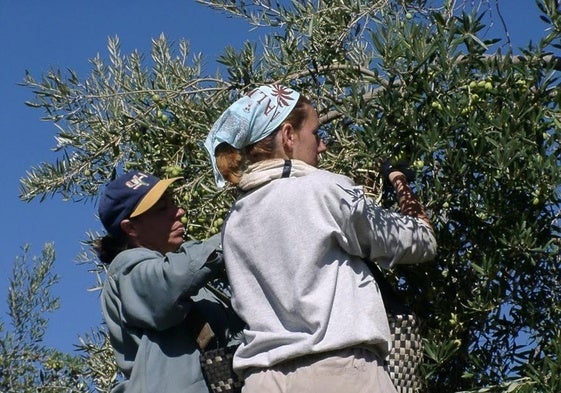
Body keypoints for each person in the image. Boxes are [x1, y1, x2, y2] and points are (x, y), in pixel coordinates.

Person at [204, 84, 437, 393]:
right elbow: (419, 240)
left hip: (262, 381)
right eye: (316, 134)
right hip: (339, 373)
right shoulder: (323, 189)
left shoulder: (234, 220)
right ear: (288, 136)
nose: (323, 146)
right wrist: (401, 185)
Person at [94, 170, 244, 393]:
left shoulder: (199, 284)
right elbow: (170, 281)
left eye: (173, 203)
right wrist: (238, 232)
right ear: (131, 228)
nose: (179, 211)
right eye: (163, 208)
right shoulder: (126, 270)